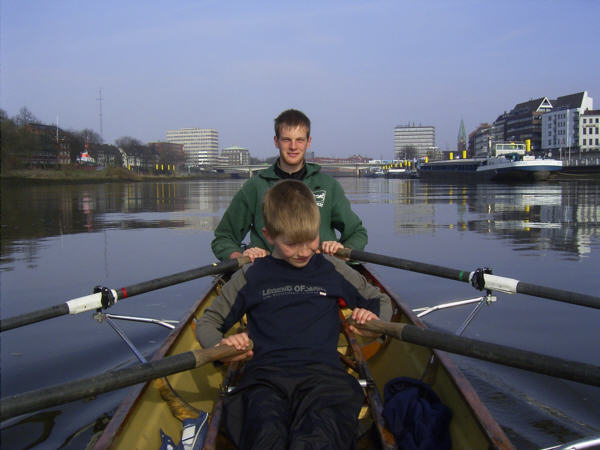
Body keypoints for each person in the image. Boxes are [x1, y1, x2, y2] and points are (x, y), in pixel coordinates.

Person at [196, 180, 392, 449]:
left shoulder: (331, 267)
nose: (303, 252)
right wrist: (220, 346)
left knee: (318, 439)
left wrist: (374, 324)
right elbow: (208, 322)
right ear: (269, 235)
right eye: (291, 243)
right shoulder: (251, 275)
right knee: (265, 437)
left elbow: (378, 300)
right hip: (264, 380)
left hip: (325, 379)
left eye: (311, 240)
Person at [211, 108, 368, 261]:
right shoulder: (254, 187)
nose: (293, 147)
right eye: (287, 140)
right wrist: (239, 257)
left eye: (300, 140)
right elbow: (224, 237)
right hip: (266, 275)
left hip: (321, 271)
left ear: (308, 142)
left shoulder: (328, 185)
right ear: (276, 141)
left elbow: (357, 233)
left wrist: (342, 252)